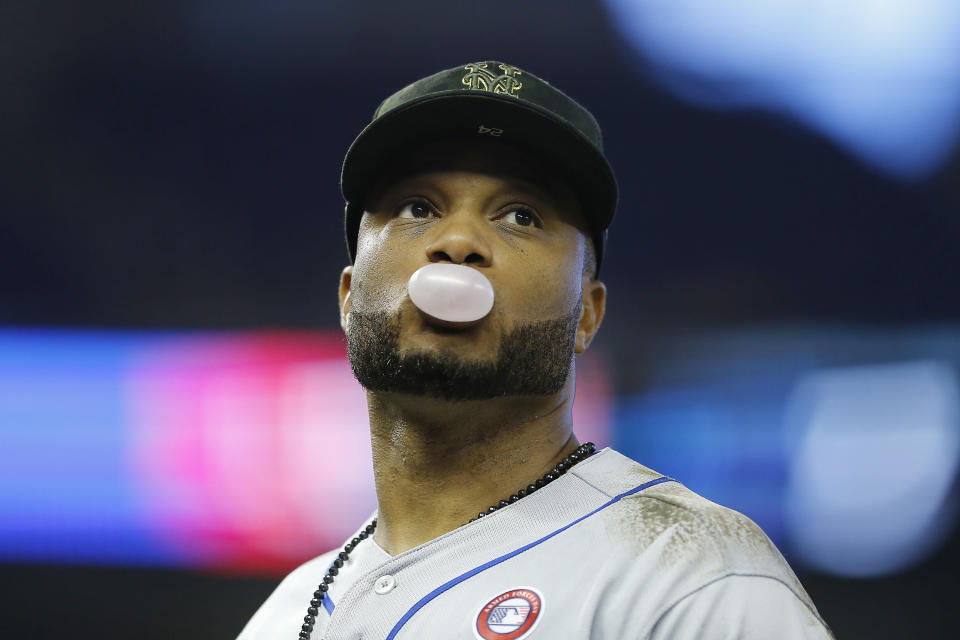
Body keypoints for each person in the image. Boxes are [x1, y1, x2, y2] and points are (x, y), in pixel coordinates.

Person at [238, 61, 833, 640]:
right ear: (348, 297)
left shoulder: (689, 578)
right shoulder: (284, 617)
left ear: (588, 313)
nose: (459, 241)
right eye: (418, 208)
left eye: (520, 215)